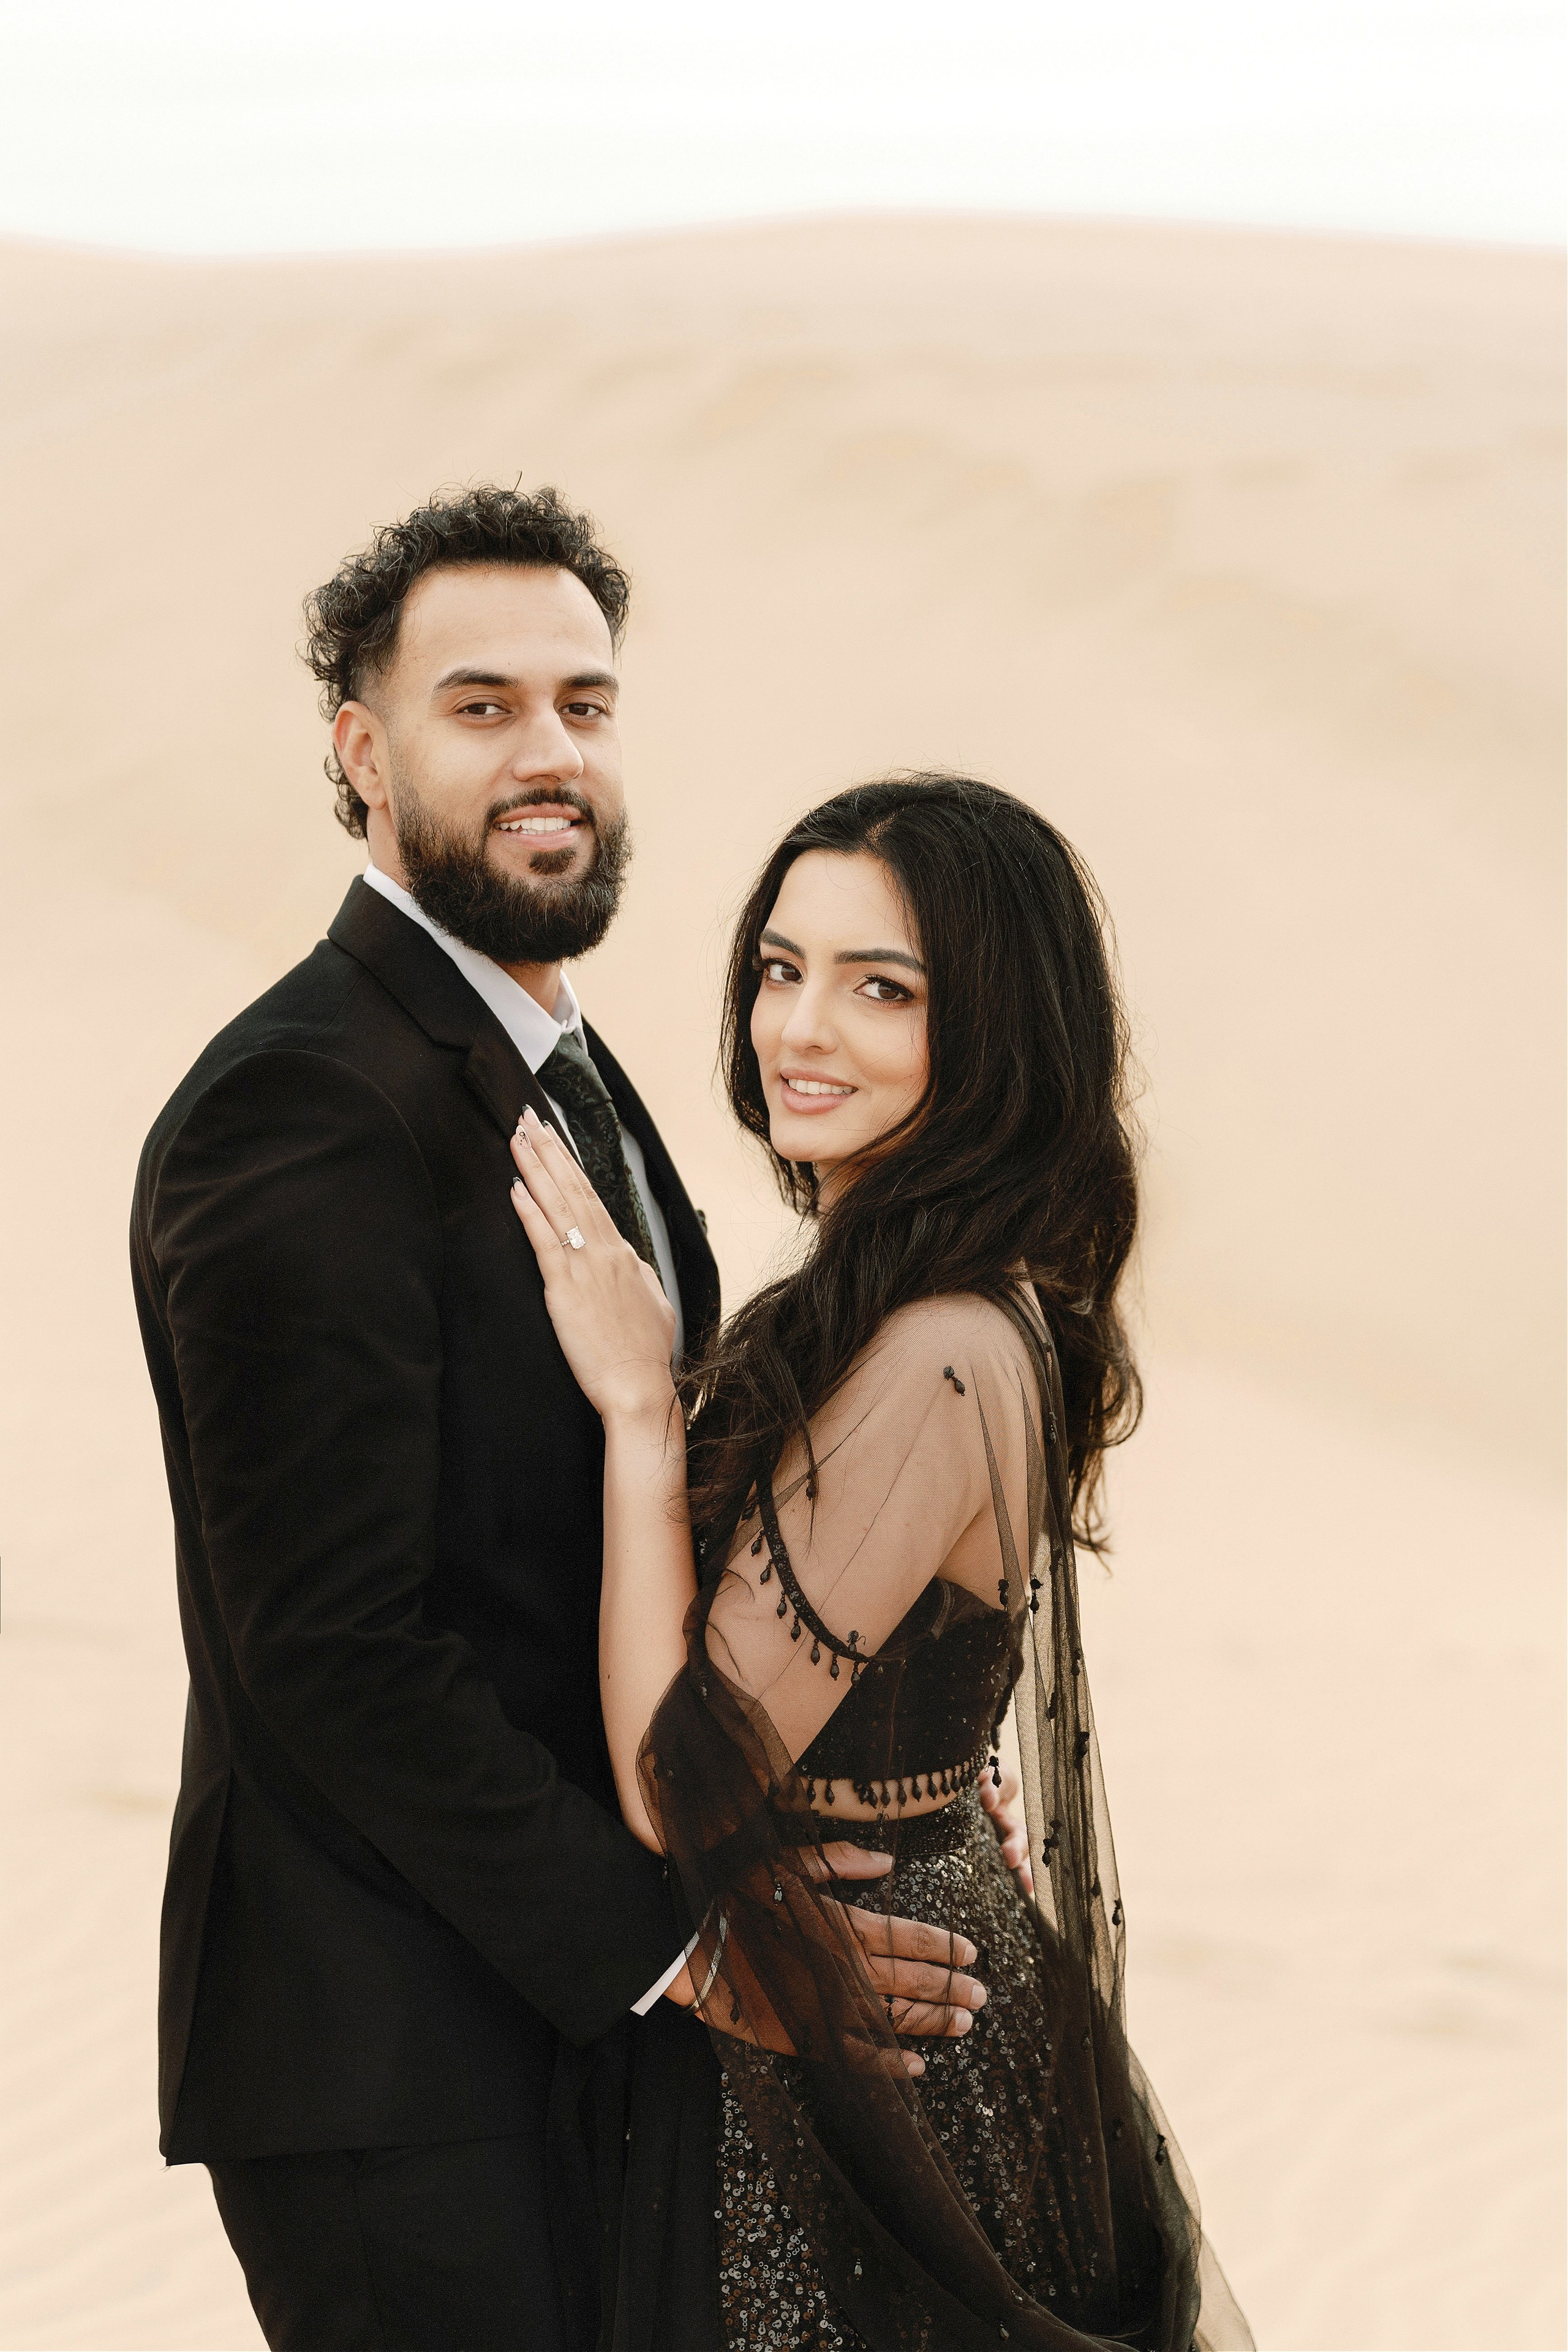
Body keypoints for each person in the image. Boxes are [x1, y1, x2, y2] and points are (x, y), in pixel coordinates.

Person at [130, 488, 1010, 2352]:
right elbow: (337, 1650)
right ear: (362, 751)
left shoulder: (564, 1060)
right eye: (484, 706)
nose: (552, 755)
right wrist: (700, 1953)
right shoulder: (299, 1109)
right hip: (394, 2061)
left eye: (587, 706)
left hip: (577, 2023)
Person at [508, 772, 1254, 2349]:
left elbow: (673, 1780)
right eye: (781, 970)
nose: (800, 1030)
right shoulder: (902, 1301)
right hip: (859, 1968)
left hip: (877, 2042)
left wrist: (643, 1413)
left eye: (879, 990)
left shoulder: (937, 1350)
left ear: (992, 1035)